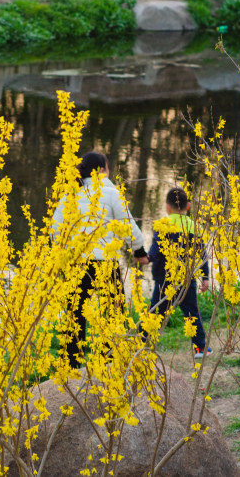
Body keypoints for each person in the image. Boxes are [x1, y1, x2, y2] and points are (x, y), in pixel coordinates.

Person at [52, 151, 148, 368]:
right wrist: (139, 250)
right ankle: (110, 360)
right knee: (113, 310)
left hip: (76, 263)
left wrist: (62, 255)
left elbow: (56, 230)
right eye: (108, 167)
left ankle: (70, 364)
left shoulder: (70, 194)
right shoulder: (110, 191)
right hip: (104, 261)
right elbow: (127, 224)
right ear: (102, 170)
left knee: (74, 314)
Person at [147, 187, 211, 358]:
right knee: (192, 313)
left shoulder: (162, 225)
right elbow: (202, 254)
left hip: (163, 278)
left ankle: (143, 345)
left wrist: (146, 258)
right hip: (186, 278)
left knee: (154, 314)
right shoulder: (194, 226)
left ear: (168, 207)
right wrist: (205, 278)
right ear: (188, 206)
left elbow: (155, 251)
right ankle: (200, 349)